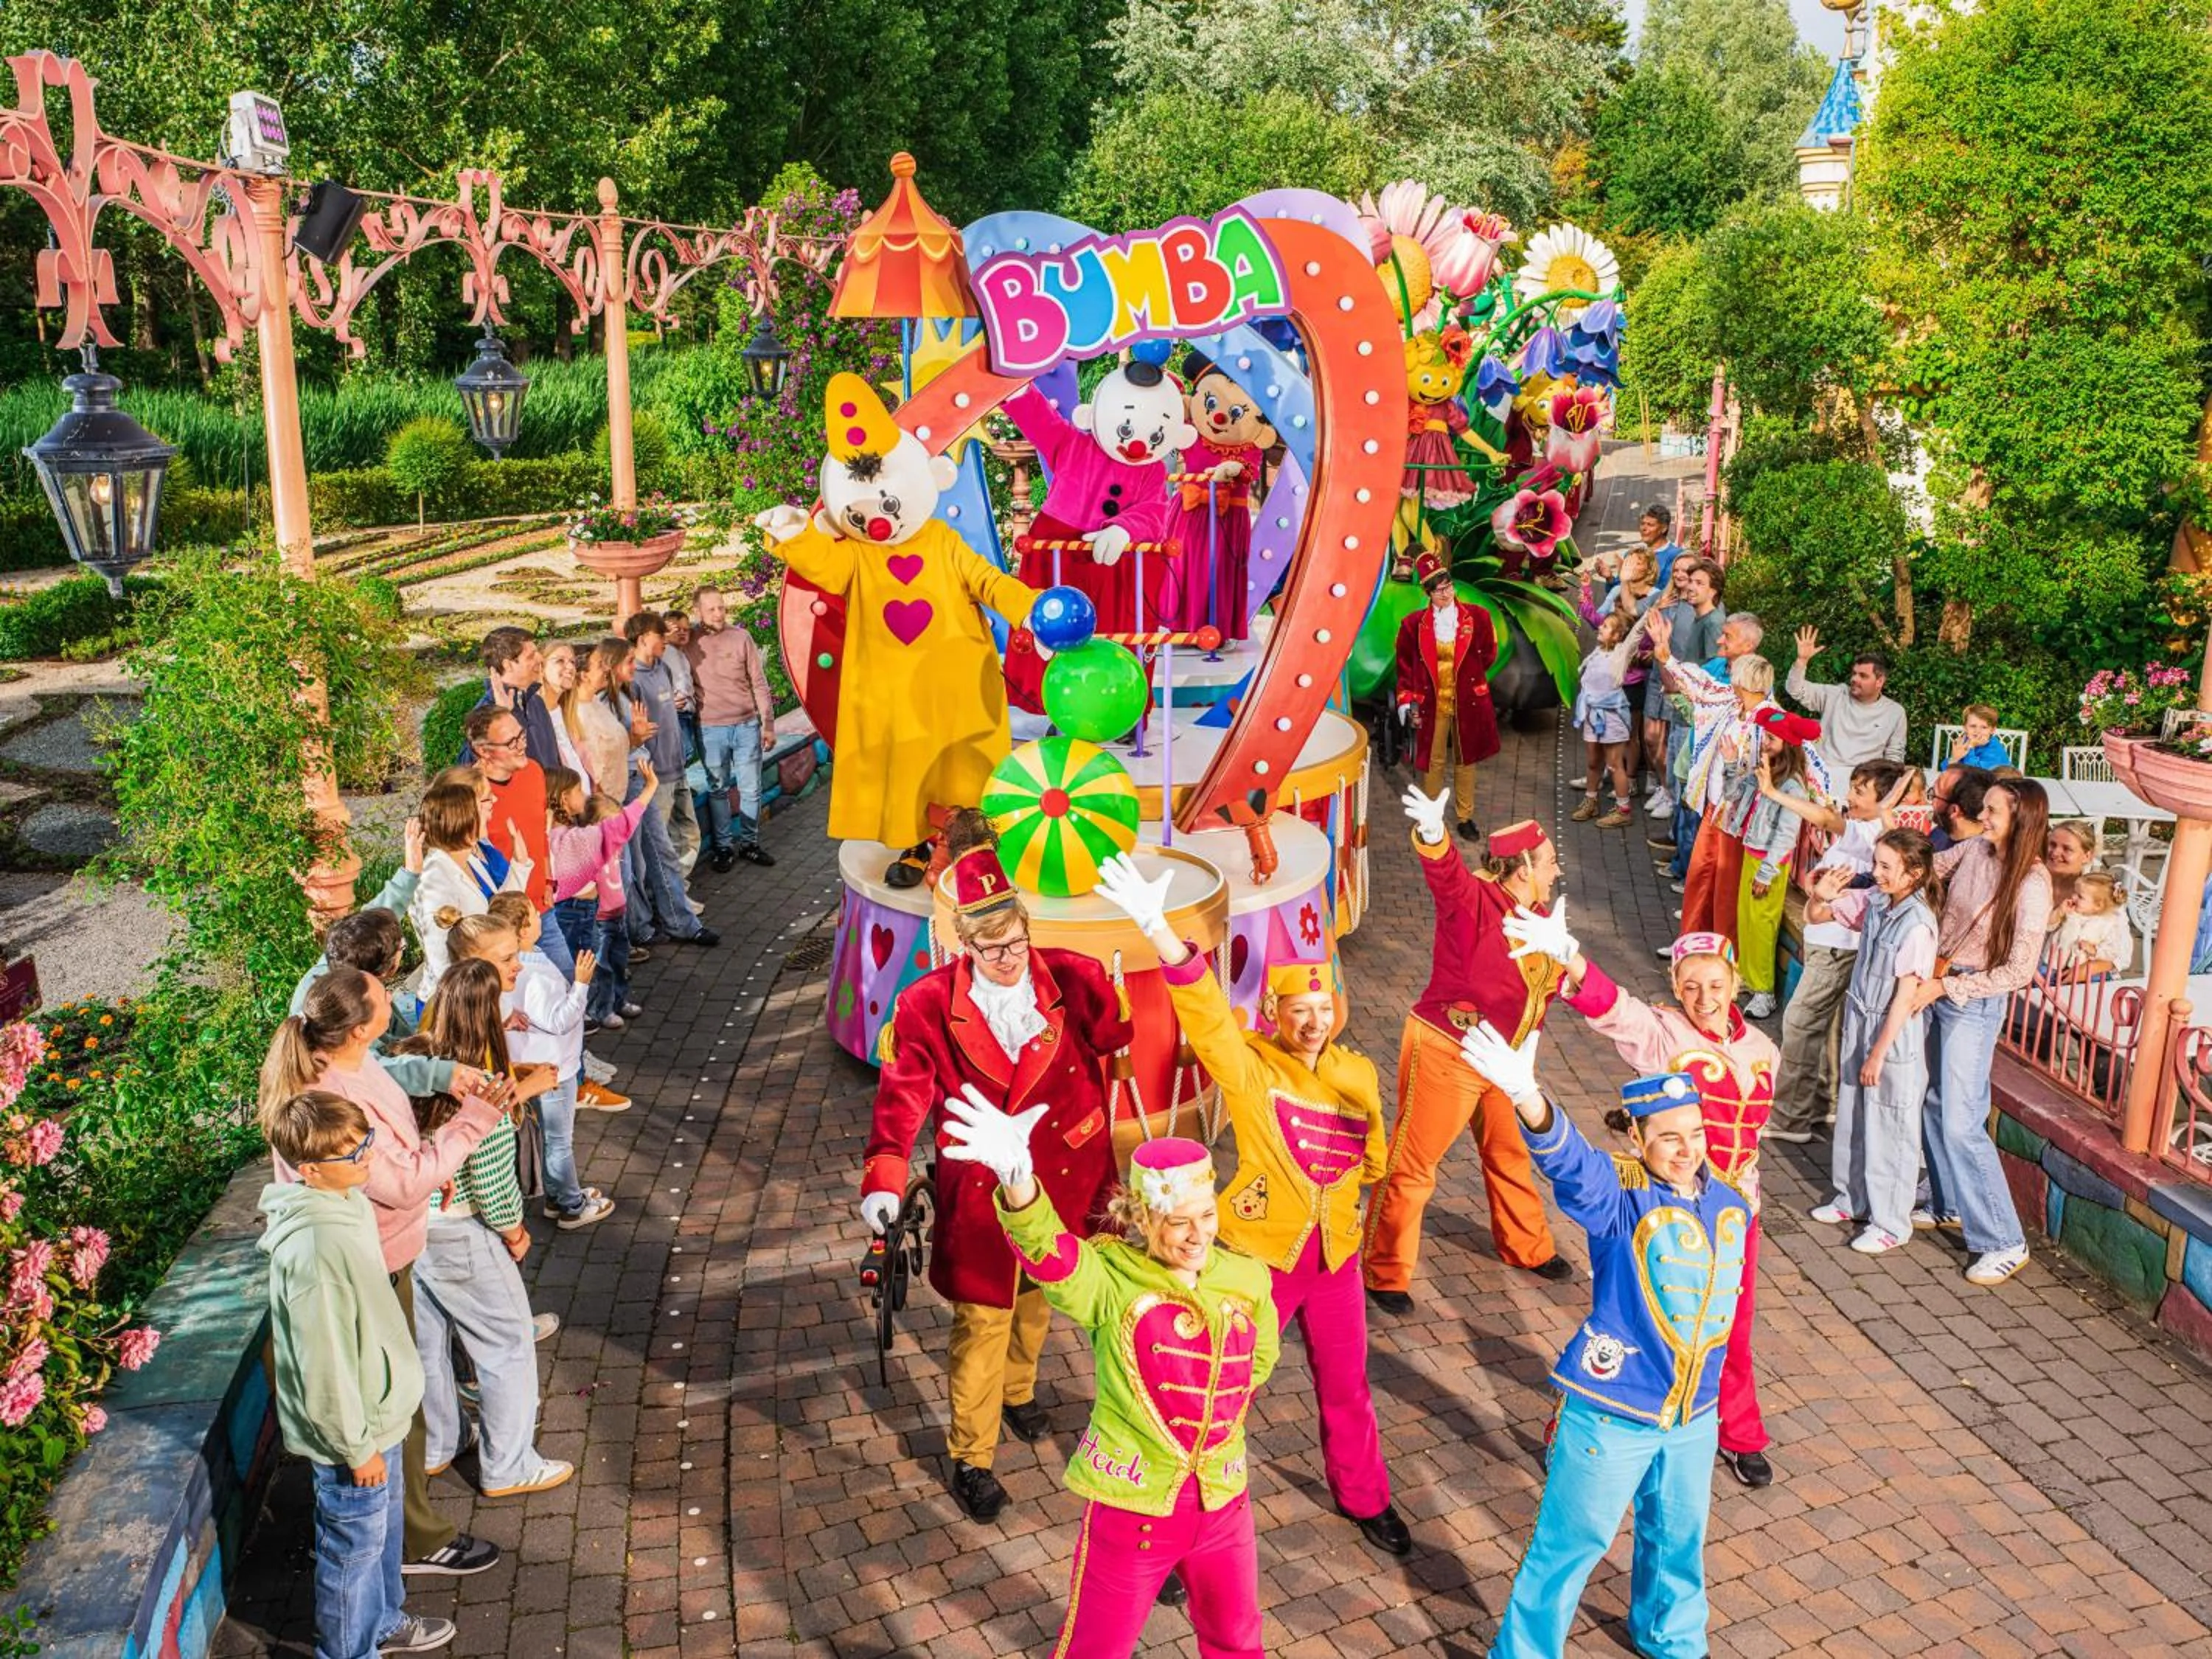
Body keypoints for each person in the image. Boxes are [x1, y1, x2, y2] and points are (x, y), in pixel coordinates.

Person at [1094, 853, 1411, 1558]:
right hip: (1259, 1262)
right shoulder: (1252, 1068)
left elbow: (1376, 1160)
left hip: (1334, 1261)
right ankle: (1168, 1521)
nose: (1313, 1021)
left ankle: (1366, 1498)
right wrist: (1163, 934)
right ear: (1273, 1012)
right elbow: (1208, 1021)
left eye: (1324, 1008)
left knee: (1348, 1383)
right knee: (1215, 1394)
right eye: (1299, 1010)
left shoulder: (1356, 1072)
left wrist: (1350, 1218)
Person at [858, 833, 1133, 1522]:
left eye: (1014, 943)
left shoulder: (1070, 976)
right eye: (991, 950)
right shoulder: (926, 1005)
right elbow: (902, 1097)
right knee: (983, 1319)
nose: (1008, 961)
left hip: (1063, 1175)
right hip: (982, 1188)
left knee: (1044, 1296)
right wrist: (885, 1179)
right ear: (962, 946)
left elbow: (1114, 1039)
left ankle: (1018, 1392)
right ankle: (971, 1457)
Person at [945, 1117, 1279, 1659]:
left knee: (1239, 1644)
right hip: (1134, 1514)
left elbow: (1260, 1360)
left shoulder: (1248, 1278)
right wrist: (1020, 1185)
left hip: (1224, 1507)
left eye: (1206, 1216)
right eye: (1178, 1222)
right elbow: (1055, 1261)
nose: (1198, 1235)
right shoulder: (1112, 1278)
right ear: (1146, 1220)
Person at [1469, 1029, 1747, 1659]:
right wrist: (1529, 1098)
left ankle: (1671, 1638)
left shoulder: (1729, 1202)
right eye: (1670, 1137)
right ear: (1638, 1138)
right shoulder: (1620, 1197)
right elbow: (1571, 1165)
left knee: (1679, 1538)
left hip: (1693, 1415)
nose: (1686, 1150)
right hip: (1612, 1413)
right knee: (1569, 1547)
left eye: (1695, 1133)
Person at [259, 970, 508, 1580]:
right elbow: (398, 1183)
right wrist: (467, 1124)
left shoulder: (342, 1062)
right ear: (362, 1027)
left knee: (409, 1384)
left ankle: (398, 1526)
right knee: (398, 1398)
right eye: (382, 994)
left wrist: (440, 1092)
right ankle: (412, 1541)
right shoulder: (335, 1094)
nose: (394, 995)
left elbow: (396, 1147)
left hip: (383, 1249)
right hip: (374, 1259)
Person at [1538, 920, 1779, 1489]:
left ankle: (1738, 1433)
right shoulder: (1666, 1036)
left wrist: (1746, 1194)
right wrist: (1570, 958)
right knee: (1631, 1326)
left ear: (1735, 982)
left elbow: (1754, 1134)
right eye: (1691, 985)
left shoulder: (1762, 1048)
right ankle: (1569, 1425)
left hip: (1733, 1213)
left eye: (1716, 984)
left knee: (1729, 1328)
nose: (1705, 997)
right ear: (1675, 986)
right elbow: (1615, 1008)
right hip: (1664, 1211)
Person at [257, 1090, 452, 1659]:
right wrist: (354, 1446)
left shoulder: (346, 1203)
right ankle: (347, 1650)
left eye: (365, 1141)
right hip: (356, 1431)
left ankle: (383, 1623)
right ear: (311, 1170)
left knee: (383, 1539)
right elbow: (326, 1365)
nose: (369, 1156)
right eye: (353, 1153)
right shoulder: (317, 1250)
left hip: (379, 1416)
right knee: (353, 1549)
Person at [1364, 796, 1574, 1307]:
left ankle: (1526, 1246)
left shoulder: (1541, 916)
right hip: (1447, 1050)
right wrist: (1435, 836)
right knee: (1415, 1165)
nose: (1557, 870)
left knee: (1510, 1152)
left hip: (1507, 1060)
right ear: (1522, 868)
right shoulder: (1474, 901)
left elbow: (1548, 988)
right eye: (1549, 861)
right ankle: (1384, 1270)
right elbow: (1447, 877)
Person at [392, 957, 572, 1498]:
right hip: (462, 1232)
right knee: (508, 1345)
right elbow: (492, 1181)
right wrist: (516, 1232)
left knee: (427, 1342)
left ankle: (438, 1444)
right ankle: (509, 1465)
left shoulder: (412, 1061)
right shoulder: (484, 1085)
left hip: (413, 1225)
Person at [1905, 776, 2051, 1285]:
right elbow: (1923, 868)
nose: (1980, 816)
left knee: (1962, 1121)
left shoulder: (2031, 883)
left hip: (1971, 1000)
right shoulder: (1974, 851)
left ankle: (2003, 1239)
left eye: (1991, 810)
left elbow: (2018, 971)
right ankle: (1946, 1201)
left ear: (2020, 819)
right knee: (1934, 1101)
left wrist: (1946, 990)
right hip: (1941, 981)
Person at [1761, 759, 1913, 1144]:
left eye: (1861, 790)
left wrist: (1775, 794)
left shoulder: (1875, 830)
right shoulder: (1873, 831)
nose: (1850, 797)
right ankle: (1821, 1104)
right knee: (1825, 1029)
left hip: (1837, 945)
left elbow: (1828, 820)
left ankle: (1790, 1118)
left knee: (1800, 1022)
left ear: (1886, 799)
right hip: (1829, 939)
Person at [1806, 831, 1942, 1254]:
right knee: (1853, 1114)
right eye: (1877, 863)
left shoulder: (1918, 925)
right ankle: (1852, 1199)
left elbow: (1906, 996)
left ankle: (1890, 1221)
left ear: (1913, 874)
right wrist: (1821, 895)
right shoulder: (1879, 902)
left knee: (1891, 1127)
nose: (1876, 873)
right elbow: (1816, 917)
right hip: (1860, 1018)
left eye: (1886, 867)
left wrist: (1879, 1053)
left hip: (1893, 1033)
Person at [485, 891, 617, 1224]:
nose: (541, 915)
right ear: (523, 929)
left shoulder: (510, 965)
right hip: (553, 1068)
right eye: (534, 913)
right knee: (559, 1140)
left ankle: (559, 1196)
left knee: (551, 1137)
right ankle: (571, 1206)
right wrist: (582, 985)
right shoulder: (535, 976)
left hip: (531, 1062)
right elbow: (559, 1021)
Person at [1646, 608, 1777, 936]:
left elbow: (1701, 689)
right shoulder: (1728, 691)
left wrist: (1666, 655)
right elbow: (1696, 688)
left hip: (1735, 816)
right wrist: (1665, 655)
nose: (1719, 639)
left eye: (1727, 636)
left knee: (1722, 888)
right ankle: (1691, 947)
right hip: (1713, 805)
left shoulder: (1764, 711)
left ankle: (1720, 956)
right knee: (1700, 879)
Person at [462, 704, 577, 981]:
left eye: (521, 735)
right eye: (511, 742)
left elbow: (541, 832)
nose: (521, 745)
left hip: (539, 908)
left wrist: (548, 878)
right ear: (483, 750)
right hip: (502, 921)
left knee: (566, 978)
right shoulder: (470, 794)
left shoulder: (534, 772)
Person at [1394, 549, 1500, 842]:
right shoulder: (1413, 625)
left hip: (1467, 699)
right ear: (1428, 593)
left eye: (1449, 586)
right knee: (1433, 759)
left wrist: (1472, 680)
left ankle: (1465, 816)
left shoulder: (1477, 617)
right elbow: (1404, 665)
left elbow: (1489, 653)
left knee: (1467, 760)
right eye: (1439, 590)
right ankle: (1431, 816)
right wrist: (1406, 698)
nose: (1447, 593)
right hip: (1433, 700)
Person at [622, 613, 715, 939]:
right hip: (654, 776)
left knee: (688, 833)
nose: (666, 639)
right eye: (660, 635)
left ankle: (679, 895)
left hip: (677, 768)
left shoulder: (662, 667)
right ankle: (665, 910)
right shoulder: (632, 680)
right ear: (643, 638)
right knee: (657, 851)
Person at [546, 763, 656, 1033]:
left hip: (590, 910)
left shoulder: (565, 835)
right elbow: (622, 825)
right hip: (577, 911)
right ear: (563, 798)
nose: (583, 795)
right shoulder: (571, 838)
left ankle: (606, 1004)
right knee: (590, 963)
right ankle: (592, 1011)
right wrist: (650, 786)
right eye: (577, 791)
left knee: (603, 960)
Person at [408, 781, 530, 1008]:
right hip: (454, 1005)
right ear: (462, 821)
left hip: (480, 993)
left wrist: (520, 866)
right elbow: (443, 964)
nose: (489, 808)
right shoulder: (435, 881)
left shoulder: (469, 859)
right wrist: (499, 1012)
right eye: (479, 807)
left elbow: (497, 917)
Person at [686, 585, 779, 874]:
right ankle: (723, 848)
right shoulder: (688, 641)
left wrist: (768, 724)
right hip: (710, 729)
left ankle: (750, 843)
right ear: (697, 611)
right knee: (718, 789)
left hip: (746, 725)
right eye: (711, 609)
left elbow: (759, 682)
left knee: (752, 788)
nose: (718, 613)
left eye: (722, 607)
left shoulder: (741, 638)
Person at [1736, 709, 1821, 1018]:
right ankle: (1747, 977)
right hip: (1752, 852)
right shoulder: (1767, 772)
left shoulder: (1792, 787)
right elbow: (1736, 794)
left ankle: (1764, 992)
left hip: (1768, 862)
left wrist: (1767, 872)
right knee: (1747, 920)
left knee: (1762, 925)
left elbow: (1786, 834)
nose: (1765, 743)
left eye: (1771, 738)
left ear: (1787, 744)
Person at [1641, 557, 1725, 828]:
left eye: (1699, 583)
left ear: (1714, 591)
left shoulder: (1713, 624)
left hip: (1694, 716)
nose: (1690, 587)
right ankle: (1677, 842)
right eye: (1690, 581)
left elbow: (1711, 676)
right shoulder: (1698, 619)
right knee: (1679, 785)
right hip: (1683, 710)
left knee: (1687, 787)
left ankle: (1684, 853)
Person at [1784, 629, 1908, 770]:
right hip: (1824, 772)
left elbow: (1894, 756)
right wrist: (1802, 661)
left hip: (1864, 782)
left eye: (1863, 676)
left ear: (1879, 682)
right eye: (1854, 674)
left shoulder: (1895, 712)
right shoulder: (1835, 695)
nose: (1854, 679)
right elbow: (1795, 689)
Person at [1571, 610, 1641, 830]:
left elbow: (1636, 634)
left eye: (1607, 627)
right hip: (1592, 714)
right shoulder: (1598, 652)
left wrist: (1654, 609)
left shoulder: (1621, 654)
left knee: (1613, 764)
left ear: (1618, 635)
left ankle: (1623, 810)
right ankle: (1591, 801)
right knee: (1593, 762)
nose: (1601, 628)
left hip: (1612, 716)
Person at [459, 627, 560, 773]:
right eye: (531, 656)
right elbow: (465, 767)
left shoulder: (536, 701)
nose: (540, 658)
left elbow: (552, 761)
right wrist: (501, 716)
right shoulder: (487, 711)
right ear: (508, 665)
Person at [2043, 869, 2132, 984]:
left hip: (2085, 972)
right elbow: (2048, 926)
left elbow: (2112, 952)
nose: (2073, 897)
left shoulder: (2109, 923)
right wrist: (2059, 912)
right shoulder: (2069, 911)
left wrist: (2094, 950)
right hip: (2053, 965)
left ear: (2098, 906)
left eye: (2080, 896)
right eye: (2074, 892)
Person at [1928, 765, 1994, 853]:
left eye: (1934, 795)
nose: (1931, 803)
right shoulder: (1938, 834)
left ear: (1954, 811)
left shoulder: (1978, 858)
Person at [1636, 501, 1684, 593]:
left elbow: (1665, 589)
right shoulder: (1635, 552)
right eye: (1643, 524)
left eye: (1650, 525)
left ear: (1664, 529)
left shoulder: (1676, 556)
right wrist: (1610, 578)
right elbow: (1619, 586)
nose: (1644, 528)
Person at [1950, 704, 2011, 771]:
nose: (1978, 731)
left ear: (1992, 730)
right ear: (1965, 728)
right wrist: (1954, 759)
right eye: (1973, 726)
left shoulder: (1994, 749)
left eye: (1984, 727)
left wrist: (1971, 748)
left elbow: (1975, 773)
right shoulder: (1965, 742)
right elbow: (1946, 771)